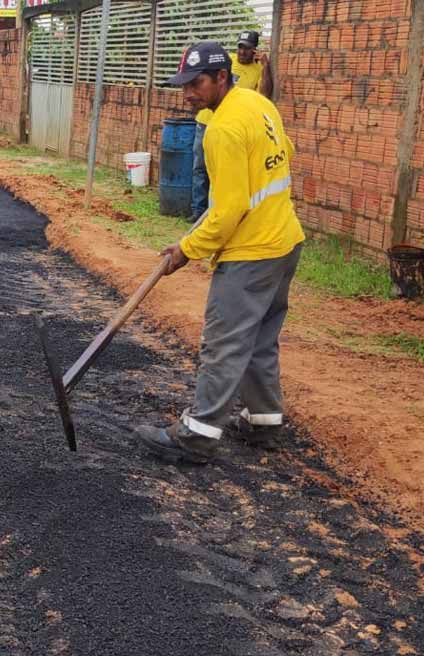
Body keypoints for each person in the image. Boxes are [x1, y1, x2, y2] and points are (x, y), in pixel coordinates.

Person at [134, 42, 304, 464]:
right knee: (260, 340)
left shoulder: (223, 130)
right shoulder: (256, 103)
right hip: (285, 241)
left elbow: (227, 210)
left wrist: (186, 250)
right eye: (184, 85)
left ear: (222, 78)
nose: (188, 93)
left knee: (223, 342)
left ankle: (198, 434)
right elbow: (285, 156)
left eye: (197, 84)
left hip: (252, 250)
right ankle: (265, 423)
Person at [191, 31, 274, 224]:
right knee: (200, 168)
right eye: (240, 47)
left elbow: (265, 95)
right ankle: (198, 211)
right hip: (206, 122)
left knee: (224, 173)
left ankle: (218, 213)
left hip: (232, 127)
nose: (242, 52)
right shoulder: (225, 60)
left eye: (246, 48)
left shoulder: (257, 69)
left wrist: (266, 66)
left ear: (254, 49)